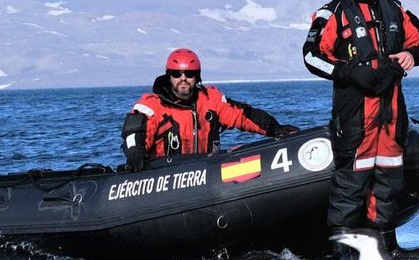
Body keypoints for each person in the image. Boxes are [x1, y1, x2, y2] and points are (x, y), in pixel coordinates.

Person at [302, 0, 419, 244]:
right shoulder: (331, 13)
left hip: (391, 107)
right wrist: (349, 72)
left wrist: (411, 55)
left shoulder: (396, 9)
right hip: (354, 107)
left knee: (389, 176)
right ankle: (344, 251)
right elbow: (311, 55)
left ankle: (386, 243)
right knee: (351, 180)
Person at [120, 48, 296, 170]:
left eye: (189, 74)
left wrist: (274, 128)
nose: (183, 79)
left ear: (197, 77)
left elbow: (242, 114)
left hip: (205, 173)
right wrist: (135, 153)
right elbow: (134, 133)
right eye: (176, 74)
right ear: (169, 76)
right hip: (165, 177)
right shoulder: (152, 105)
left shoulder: (210, 100)